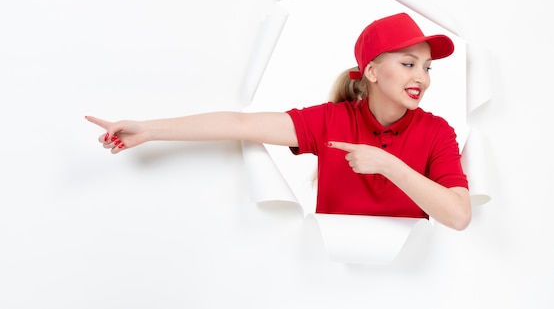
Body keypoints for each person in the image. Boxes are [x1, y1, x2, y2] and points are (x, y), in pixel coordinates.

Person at [86, 12, 471, 231]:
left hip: (410, 287)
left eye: (426, 67)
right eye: (408, 64)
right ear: (371, 71)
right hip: (333, 282)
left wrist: (388, 165)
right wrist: (149, 130)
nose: (421, 76)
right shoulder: (330, 121)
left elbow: (459, 216)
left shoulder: (436, 132)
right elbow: (239, 124)